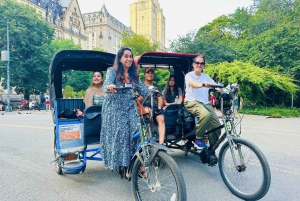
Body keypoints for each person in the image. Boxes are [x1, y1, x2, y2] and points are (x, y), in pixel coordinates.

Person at [100, 46, 149, 173]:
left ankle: (137, 162)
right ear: (120, 58)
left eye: (131, 56)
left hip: (129, 107)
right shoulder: (112, 71)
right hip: (114, 108)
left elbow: (143, 88)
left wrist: (153, 92)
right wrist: (109, 86)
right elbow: (106, 85)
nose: (129, 59)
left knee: (138, 132)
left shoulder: (133, 75)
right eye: (126, 56)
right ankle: (122, 163)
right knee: (122, 133)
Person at [184, 54, 221, 159]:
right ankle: (198, 139)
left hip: (205, 103)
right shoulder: (189, 75)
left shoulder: (206, 77)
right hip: (192, 102)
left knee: (217, 126)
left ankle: (212, 148)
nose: (199, 65)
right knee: (206, 115)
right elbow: (193, 84)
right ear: (193, 64)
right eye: (197, 63)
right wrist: (203, 85)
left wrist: (226, 90)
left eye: (201, 63)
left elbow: (216, 86)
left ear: (204, 66)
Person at [143, 67, 166, 145]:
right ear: (144, 75)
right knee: (148, 112)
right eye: (148, 72)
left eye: (152, 73)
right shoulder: (141, 86)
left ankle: (161, 144)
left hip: (156, 106)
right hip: (145, 106)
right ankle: (152, 134)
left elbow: (160, 99)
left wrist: (159, 108)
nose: (150, 74)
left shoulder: (157, 86)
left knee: (161, 118)